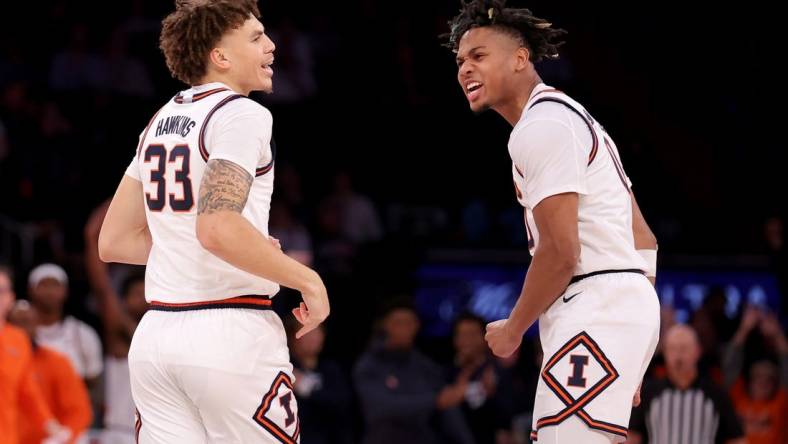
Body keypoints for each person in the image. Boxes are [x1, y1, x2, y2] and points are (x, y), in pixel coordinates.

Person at [97, 1, 330, 442]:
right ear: (220, 56)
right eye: (257, 37)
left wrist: (240, 246)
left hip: (157, 339)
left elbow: (114, 241)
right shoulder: (243, 113)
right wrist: (308, 281)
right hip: (230, 333)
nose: (273, 46)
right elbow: (217, 227)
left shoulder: (160, 120)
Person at [442, 1, 660, 442]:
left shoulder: (542, 126)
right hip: (619, 304)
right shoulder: (573, 118)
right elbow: (644, 238)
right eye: (461, 60)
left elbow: (561, 253)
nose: (465, 68)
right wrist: (637, 339)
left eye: (479, 56)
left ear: (521, 58)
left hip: (596, 303)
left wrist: (513, 329)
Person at [353, 301, 475, 444]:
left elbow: (448, 406)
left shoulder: (425, 366)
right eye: (398, 323)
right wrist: (434, 401)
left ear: (417, 325)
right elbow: (379, 409)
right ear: (385, 326)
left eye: (409, 323)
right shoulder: (368, 365)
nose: (404, 328)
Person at [85, 202, 148, 443]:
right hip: (120, 433)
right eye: (135, 295)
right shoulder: (120, 331)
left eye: (146, 294)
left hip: (156, 433)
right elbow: (102, 287)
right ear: (123, 301)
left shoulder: (165, 330)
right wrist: (92, 235)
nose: (143, 300)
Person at [627, 325, 745, 444]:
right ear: (665, 352)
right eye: (672, 349)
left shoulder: (716, 395)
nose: (678, 356)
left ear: (697, 351)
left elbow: (737, 439)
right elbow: (632, 436)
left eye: (684, 349)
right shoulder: (649, 393)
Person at [0, 265, 69, 444]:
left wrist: (50, 425)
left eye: (1, 291)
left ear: (11, 298)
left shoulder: (18, 340)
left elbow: (28, 391)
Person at [9, 300, 93, 444]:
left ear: (37, 325)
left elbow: (79, 410)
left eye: (27, 322)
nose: (22, 329)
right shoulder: (5, 363)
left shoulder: (56, 362)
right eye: (17, 323)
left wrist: (63, 436)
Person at [27, 263, 103, 387]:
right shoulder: (19, 333)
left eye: (55, 285)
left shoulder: (83, 333)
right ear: (31, 290)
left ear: (65, 291)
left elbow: (93, 381)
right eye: (44, 285)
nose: (49, 291)